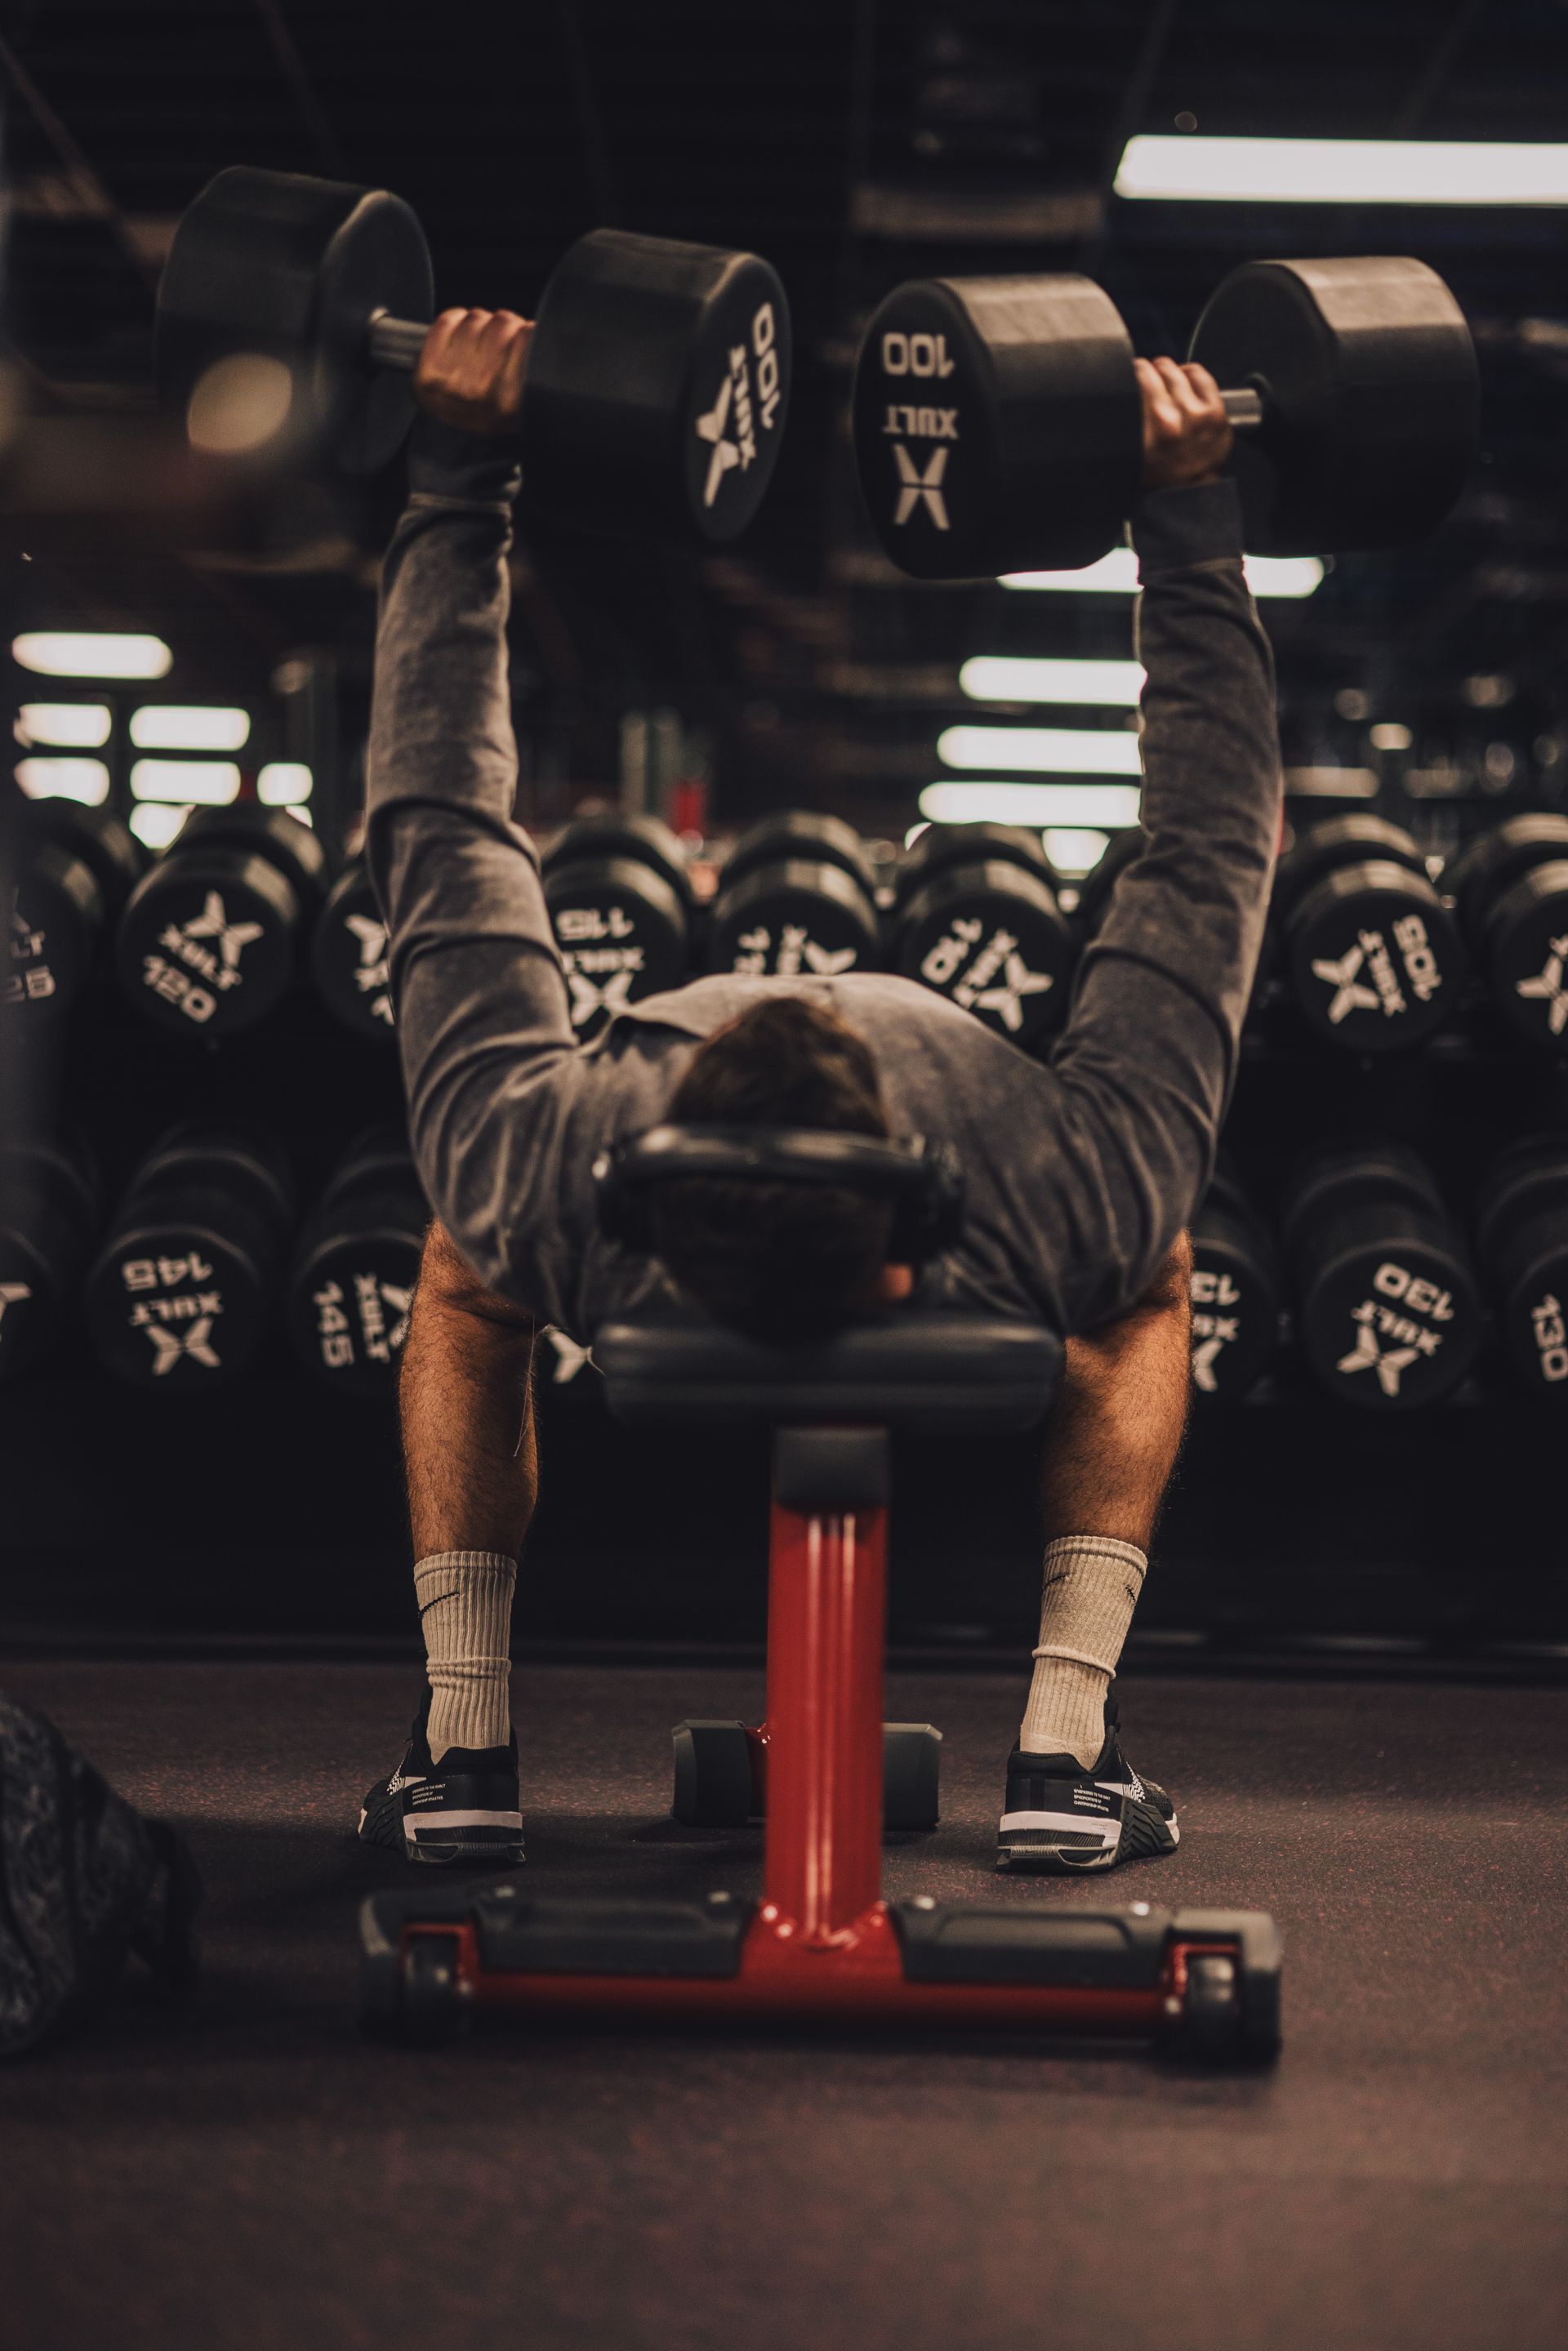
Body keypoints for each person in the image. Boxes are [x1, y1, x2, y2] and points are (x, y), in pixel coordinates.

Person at [356, 307, 1279, 1875]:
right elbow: (1209, 843)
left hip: (682, 1078)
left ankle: (464, 1750)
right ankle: (1067, 1751)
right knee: (1149, 1275)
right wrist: (1184, 513)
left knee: (464, 1268)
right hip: (939, 1098)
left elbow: (438, 807)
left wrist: (458, 470)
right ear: (918, 1254)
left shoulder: (544, 1167)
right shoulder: (1068, 1173)